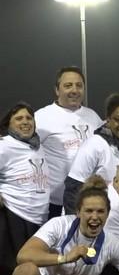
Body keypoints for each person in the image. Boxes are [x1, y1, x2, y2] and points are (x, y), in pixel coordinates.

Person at [0, 103, 51, 275]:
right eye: (18, 118)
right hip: (12, 217)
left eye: (28, 117)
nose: (25, 121)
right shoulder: (4, 145)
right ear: (8, 124)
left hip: (38, 220)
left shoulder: (36, 144)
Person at [63, 95, 119, 214]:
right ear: (108, 121)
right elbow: (73, 188)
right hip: (95, 219)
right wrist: (76, 227)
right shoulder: (94, 145)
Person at [35, 67, 103, 219]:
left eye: (79, 85)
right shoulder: (41, 117)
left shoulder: (93, 116)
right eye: (68, 85)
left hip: (90, 203)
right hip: (54, 203)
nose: (74, 90)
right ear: (57, 90)